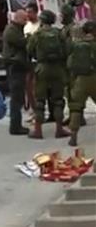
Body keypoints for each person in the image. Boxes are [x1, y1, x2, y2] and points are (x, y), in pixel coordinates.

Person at [27, 10, 71, 139]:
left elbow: (29, 50)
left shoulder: (37, 34)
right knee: (58, 100)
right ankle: (59, 129)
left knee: (40, 100)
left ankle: (38, 130)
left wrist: (38, 57)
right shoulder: (58, 34)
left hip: (42, 68)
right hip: (57, 69)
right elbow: (66, 50)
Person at [67, 21, 96, 146]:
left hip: (80, 80)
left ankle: (73, 136)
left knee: (76, 109)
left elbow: (69, 64)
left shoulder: (76, 46)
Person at [2, 9, 30, 135]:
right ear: (18, 18)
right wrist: (31, 38)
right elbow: (21, 43)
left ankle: (16, 124)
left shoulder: (16, 29)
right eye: (24, 19)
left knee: (18, 97)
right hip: (15, 66)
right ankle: (15, 126)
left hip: (17, 65)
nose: (26, 22)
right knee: (16, 97)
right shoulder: (12, 30)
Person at [60, 4, 87, 127]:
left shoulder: (74, 29)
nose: (60, 17)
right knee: (69, 92)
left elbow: (73, 47)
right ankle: (73, 115)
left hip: (73, 64)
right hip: (66, 63)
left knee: (75, 92)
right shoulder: (66, 28)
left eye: (62, 15)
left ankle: (78, 117)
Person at [24, 3, 41, 124]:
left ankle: (40, 113)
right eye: (27, 12)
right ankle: (33, 111)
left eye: (30, 12)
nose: (28, 15)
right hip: (29, 61)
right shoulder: (26, 26)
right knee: (29, 88)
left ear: (35, 12)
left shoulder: (41, 25)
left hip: (39, 61)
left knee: (38, 89)